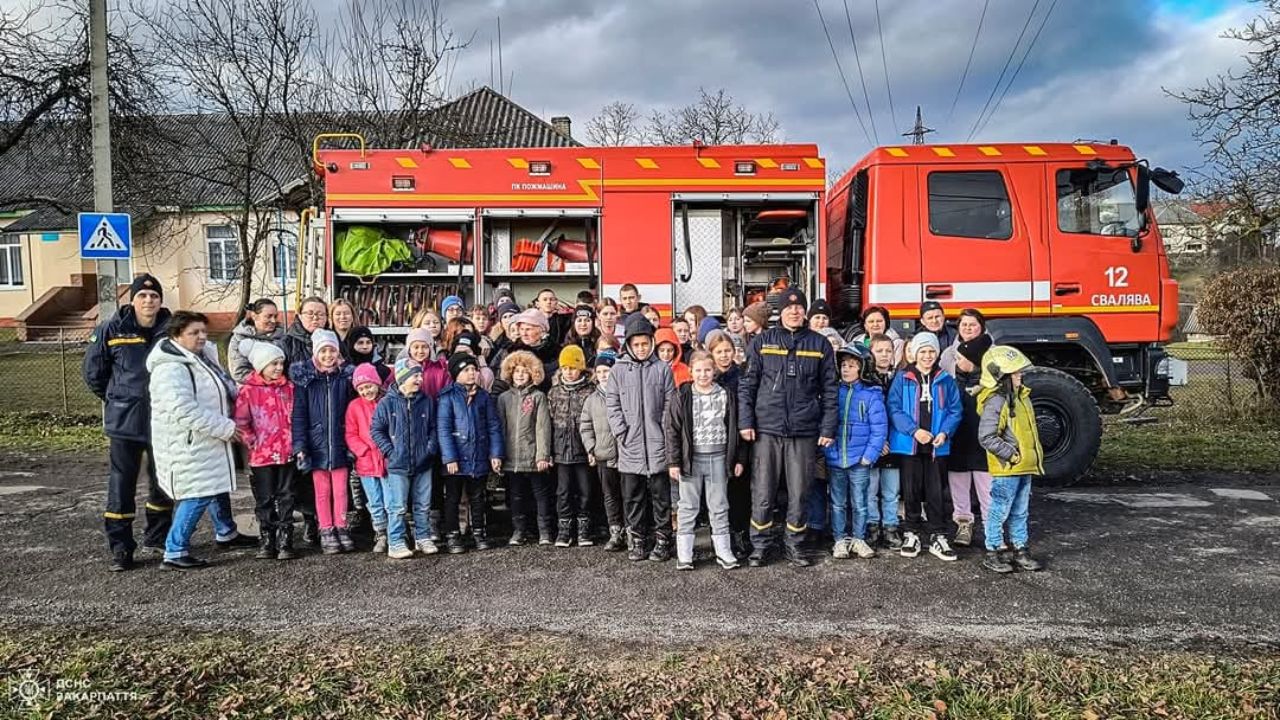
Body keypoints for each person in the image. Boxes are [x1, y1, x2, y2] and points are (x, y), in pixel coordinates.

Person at [82, 273, 177, 572]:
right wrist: (117, 397)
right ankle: (121, 547)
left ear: (161, 300)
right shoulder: (112, 329)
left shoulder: (172, 329)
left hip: (163, 420)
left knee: (163, 483)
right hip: (125, 421)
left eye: (154, 296)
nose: (148, 301)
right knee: (122, 485)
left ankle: (157, 535)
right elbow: (94, 374)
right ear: (132, 300)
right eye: (142, 296)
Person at [738, 288, 838, 568]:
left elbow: (830, 390)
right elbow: (747, 385)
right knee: (763, 491)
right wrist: (746, 421)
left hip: (803, 431)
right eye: (789, 308)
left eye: (799, 307)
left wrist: (828, 427)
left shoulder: (820, 345)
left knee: (800, 490)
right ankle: (761, 545)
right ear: (779, 312)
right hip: (766, 429)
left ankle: (795, 545)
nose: (794, 312)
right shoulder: (762, 342)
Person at [147, 311, 255, 570]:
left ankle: (226, 531)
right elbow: (184, 410)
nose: (201, 337)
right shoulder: (171, 368)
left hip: (208, 441)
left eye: (203, 332)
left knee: (216, 486)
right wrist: (226, 427)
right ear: (177, 335)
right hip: (189, 443)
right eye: (194, 333)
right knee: (197, 493)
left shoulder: (201, 358)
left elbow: (224, 387)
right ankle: (175, 549)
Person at [664, 351, 747, 571]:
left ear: (714, 371)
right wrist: (673, 461)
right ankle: (685, 553)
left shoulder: (725, 394)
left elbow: (735, 428)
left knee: (719, 505)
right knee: (688, 506)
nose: (703, 375)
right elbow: (672, 430)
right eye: (698, 370)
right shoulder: (682, 395)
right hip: (691, 460)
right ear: (690, 371)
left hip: (719, 458)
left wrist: (739, 458)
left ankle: (723, 550)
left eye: (708, 370)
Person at [606, 314, 676, 562]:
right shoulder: (617, 371)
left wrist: (665, 430)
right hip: (630, 443)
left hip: (658, 443)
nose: (641, 348)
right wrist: (621, 431)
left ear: (652, 343)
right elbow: (612, 404)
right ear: (628, 345)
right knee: (633, 496)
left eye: (645, 343)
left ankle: (663, 540)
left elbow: (670, 402)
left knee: (661, 496)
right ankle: (637, 540)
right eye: (636, 344)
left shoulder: (662, 369)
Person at [887, 332, 963, 562]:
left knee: (936, 491)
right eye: (923, 351)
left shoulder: (945, 379)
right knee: (911, 490)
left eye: (931, 351)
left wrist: (944, 432)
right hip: (910, 445)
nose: (927, 356)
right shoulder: (903, 377)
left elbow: (954, 409)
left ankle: (938, 535)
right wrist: (914, 430)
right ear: (915, 353)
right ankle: (911, 532)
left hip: (936, 446)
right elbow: (894, 407)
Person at [977, 346, 1045, 574]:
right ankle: (993, 550)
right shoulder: (996, 401)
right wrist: (1012, 455)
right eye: (1015, 373)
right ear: (1002, 377)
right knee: (1000, 510)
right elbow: (986, 436)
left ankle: (1020, 549)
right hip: (1009, 468)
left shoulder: (1021, 397)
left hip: (1024, 467)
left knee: (1020, 511)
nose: (1020, 376)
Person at [291, 329, 356, 555]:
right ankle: (325, 528)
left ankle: (341, 526)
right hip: (316, 445)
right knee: (322, 491)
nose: (328, 355)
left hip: (339, 443)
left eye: (332, 350)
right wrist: (300, 446)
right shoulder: (306, 381)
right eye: (324, 351)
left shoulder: (345, 378)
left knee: (341, 491)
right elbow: (299, 415)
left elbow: (352, 411)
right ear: (315, 353)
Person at [233, 342, 298, 561]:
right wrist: (251, 440)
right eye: (273, 364)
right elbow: (241, 421)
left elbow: (297, 417)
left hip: (286, 453)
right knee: (264, 498)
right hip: (261, 455)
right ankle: (267, 538)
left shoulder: (289, 388)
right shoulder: (249, 391)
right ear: (261, 366)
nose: (279, 368)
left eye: (281, 363)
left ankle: (286, 538)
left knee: (287, 496)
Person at [437, 353, 505, 554]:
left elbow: (493, 426)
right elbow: (443, 429)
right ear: (456, 373)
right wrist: (449, 457)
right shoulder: (447, 396)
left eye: (474, 370)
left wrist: (495, 453)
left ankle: (479, 532)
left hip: (478, 455)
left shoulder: (483, 396)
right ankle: (453, 534)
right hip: (456, 459)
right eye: (466, 370)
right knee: (453, 498)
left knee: (478, 497)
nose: (471, 374)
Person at [371, 360, 440, 556]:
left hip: (423, 461)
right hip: (398, 464)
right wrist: (390, 452)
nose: (419, 379)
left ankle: (423, 537)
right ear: (402, 378)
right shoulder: (387, 402)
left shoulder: (426, 401)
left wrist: (429, 448)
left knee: (423, 504)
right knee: (398, 506)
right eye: (414, 375)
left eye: (420, 375)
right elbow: (376, 430)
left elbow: (434, 428)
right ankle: (396, 541)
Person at [826, 344, 888, 560]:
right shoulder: (832, 392)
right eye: (843, 365)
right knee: (837, 503)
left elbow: (879, 429)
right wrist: (827, 451)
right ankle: (839, 539)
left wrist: (869, 455)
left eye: (852, 366)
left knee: (860, 503)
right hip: (835, 458)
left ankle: (859, 538)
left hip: (859, 460)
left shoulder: (871, 395)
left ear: (862, 368)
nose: (846, 370)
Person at [939, 309, 995, 548]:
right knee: (959, 479)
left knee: (987, 483)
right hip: (957, 431)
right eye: (964, 325)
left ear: (981, 327)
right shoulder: (947, 355)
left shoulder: (994, 357)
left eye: (973, 324)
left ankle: (993, 530)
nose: (968, 328)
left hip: (986, 431)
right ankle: (964, 523)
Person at [276, 295, 327, 546]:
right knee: (300, 472)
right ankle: (308, 519)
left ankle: (322, 519)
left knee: (322, 470)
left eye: (320, 314)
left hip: (325, 415)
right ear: (300, 315)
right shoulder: (287, 343)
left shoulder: (331, 340)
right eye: (311, 313)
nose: (316, 318)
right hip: (297, 413)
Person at [345, 363, 402, 557]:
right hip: (366, 463)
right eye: (361, 388)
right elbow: (351, 434)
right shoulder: (354, 407)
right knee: (374, 501)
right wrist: (362, 450)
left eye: (369, 386)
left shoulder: (387, 402)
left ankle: (395, 533)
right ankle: (380, 532)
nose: (366, 391)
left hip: (386, 460)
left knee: (390, 500)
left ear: (377, 383)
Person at [497, 350, 554, 545]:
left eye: (525, 371)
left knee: (540, 495)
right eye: (517, 371)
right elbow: (500, 429)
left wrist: (543, 455)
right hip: (511, 457)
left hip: (534, 456)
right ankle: (519, 531)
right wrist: (498, 455)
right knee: (516, 496)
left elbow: (542, 427)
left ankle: (544, 531)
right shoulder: (503, 398)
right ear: (510, 373)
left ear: (533, 374)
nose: (520, 375)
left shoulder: (538, 397)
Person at [706, 330, 751, 557]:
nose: (724, 356)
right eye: (719, 352)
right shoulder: (706, 378)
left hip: (737, 444)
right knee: (715, 495)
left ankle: (740, 533)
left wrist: (741, 456)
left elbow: (743, 418)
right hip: (712, 445)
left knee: (738, 493)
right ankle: (719, 538)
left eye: (727, 351)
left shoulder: (742, 377)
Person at [547, 345, 596, 547]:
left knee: (585, 490)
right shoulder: (554, 392)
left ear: (581, 369)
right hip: (560, 450)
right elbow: (548, 423)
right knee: (563, 491)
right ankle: (564, 529)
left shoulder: (590, 392)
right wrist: (549, 451)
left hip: (583, 449)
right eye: (565, 368)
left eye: (573, 368)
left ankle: (584, 528)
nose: (569, 372)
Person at [579, 351, 624, 551]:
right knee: (610, 495)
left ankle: (633, 531)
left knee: (630, 494)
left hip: (626, 454)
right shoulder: (591, 400)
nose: (604, 375)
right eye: (600, 371)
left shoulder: (625, 394)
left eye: (607, 370)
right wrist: (591, 448)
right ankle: (615, 531)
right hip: (603, 454)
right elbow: (585, 425)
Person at [863, 334, 904, 549]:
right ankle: (872, 526)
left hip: (895, 444)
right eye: (880, 351)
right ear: (871, 353)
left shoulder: (900, 378)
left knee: (891, 491)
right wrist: (876, 443)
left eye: (889, 350)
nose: (885, 355)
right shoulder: (865, 381)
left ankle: (890, 526)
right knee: (870, 490)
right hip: (872, 445)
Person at [228, 298, 284, 384]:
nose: (273, 321)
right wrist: (268, 384)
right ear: (254, 316)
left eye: (275, 316)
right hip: (252, 392)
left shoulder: (282, 338)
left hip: (281, 390)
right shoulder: (239, 338)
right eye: (268, 316)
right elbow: (239, 372)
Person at [507, 309, 560, 393]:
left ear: (541, 330)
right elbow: (501, 383)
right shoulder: (511, 351)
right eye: (521, 329)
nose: (524, 333)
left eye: (528, 329)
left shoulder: (556, 352)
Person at [402, 327, 450, 400]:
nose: (420, 351)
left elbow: (447, 395)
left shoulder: (440, 370)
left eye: (424, 347)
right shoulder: (403, 369)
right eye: (416, 347)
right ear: (409, 350)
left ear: (430, 349)